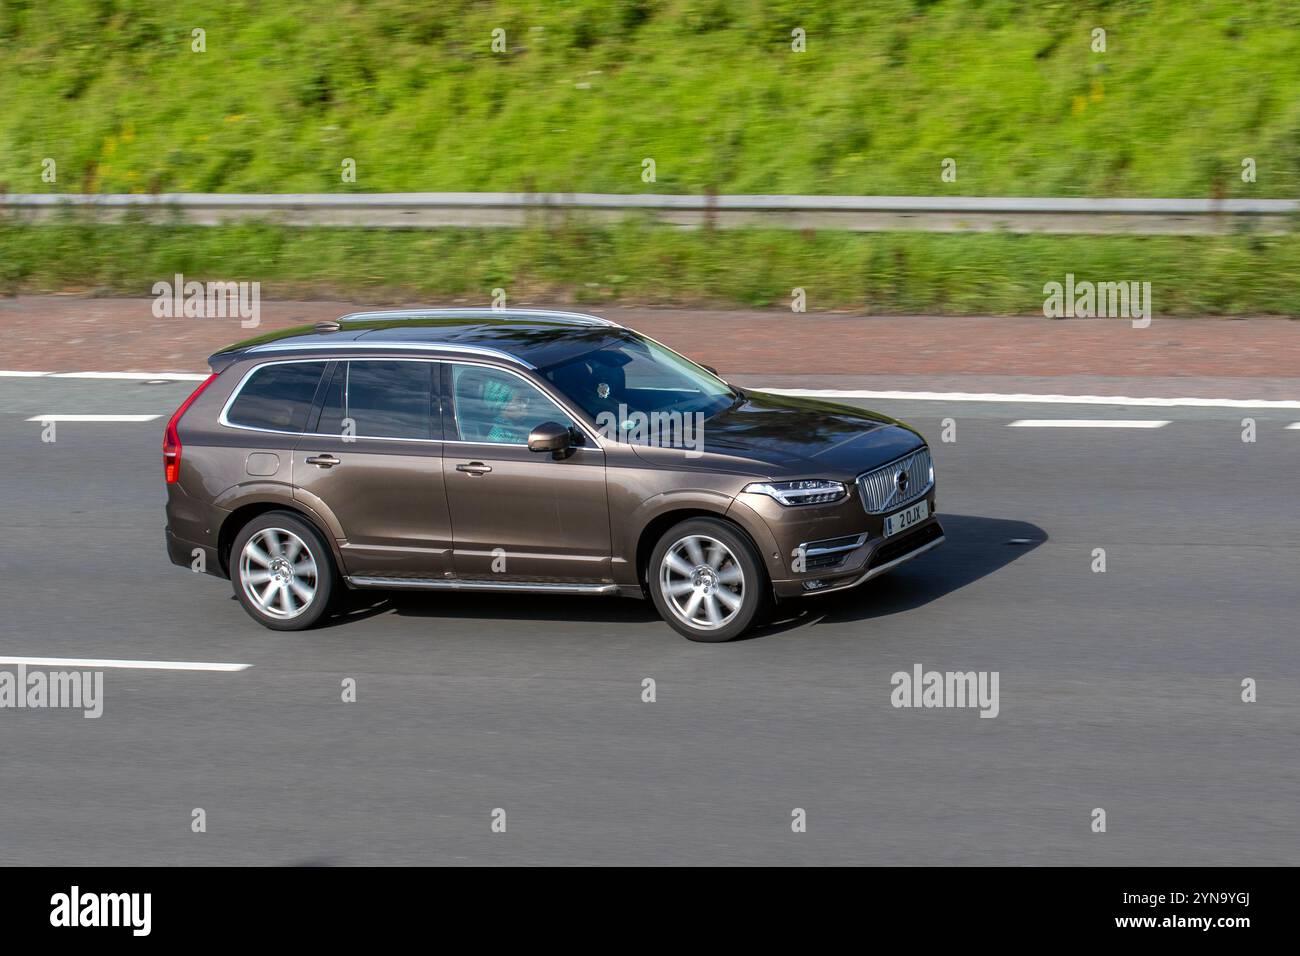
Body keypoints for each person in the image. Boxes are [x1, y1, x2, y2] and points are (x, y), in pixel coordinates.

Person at [482, 377, 532, 443]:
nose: (525, 405)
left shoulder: (514, 426)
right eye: (518, 401)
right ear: (502, 405)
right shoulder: (498, 437)